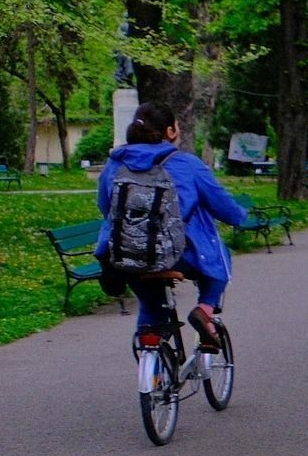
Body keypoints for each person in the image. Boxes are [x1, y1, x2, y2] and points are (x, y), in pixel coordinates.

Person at [97, 101, 247, 348]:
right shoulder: (186, 164)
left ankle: (152, 372)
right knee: (219, 257)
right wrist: (240, 217)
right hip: (178, 255)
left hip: (125, 255)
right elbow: (221, 204)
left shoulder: (115, 164)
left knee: (151, 307)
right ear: (170, 132)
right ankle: (205, 310)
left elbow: (106, 207)